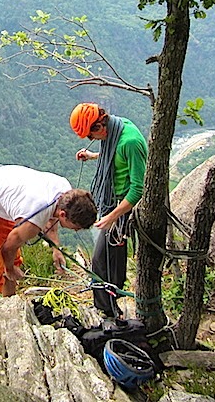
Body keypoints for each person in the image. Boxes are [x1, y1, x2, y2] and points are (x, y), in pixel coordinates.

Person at [0, 164, 97, 306]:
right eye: (76, 227)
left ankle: (8, 309)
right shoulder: (33, 220)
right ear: (63, 214)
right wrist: (10, 269)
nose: (75, 231)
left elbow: (52, 217)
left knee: (12, 261)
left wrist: (56, 249)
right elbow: (8, 248)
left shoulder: (66, 191)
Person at [70, 102, 148, 318]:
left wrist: (112, 217)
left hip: (123, 209)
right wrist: (93, 156)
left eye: (91, 136)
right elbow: (114, 156)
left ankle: (108, 310)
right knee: (109, 260)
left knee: (101, 261)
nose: (91, 141)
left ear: (99, 126)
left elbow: (138, 189)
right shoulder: (116, 128)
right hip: (113, 204)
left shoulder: (130, 141)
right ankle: (110, 306)